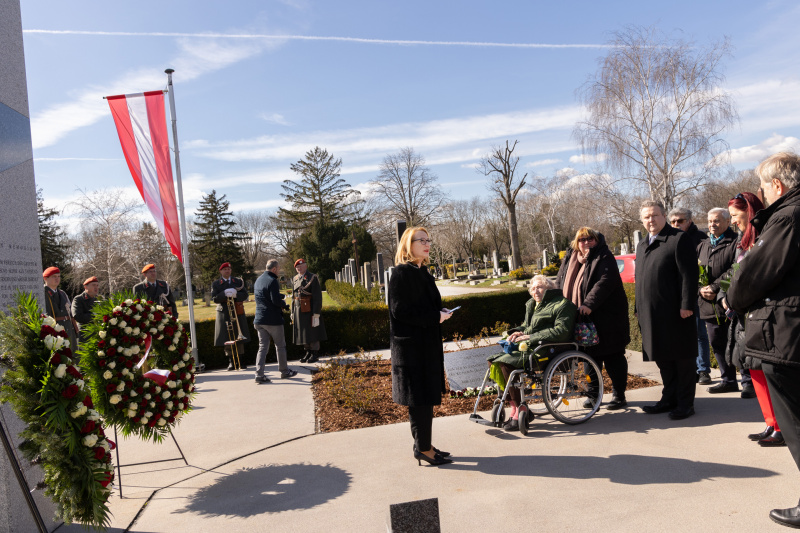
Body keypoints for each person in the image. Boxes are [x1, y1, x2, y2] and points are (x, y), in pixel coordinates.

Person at [726, 153, 800, 528]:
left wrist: (730, 295)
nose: (762, 195)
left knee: (797, 423)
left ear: (777, 186)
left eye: (763, 187)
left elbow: (753, 275)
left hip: (787, 334)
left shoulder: (787, 216)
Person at [388, 227, 453, 466]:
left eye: (428, 240)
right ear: (408, 244)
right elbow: (400, 311)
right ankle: (423, 449)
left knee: (425, 399)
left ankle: (424, 444)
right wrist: (433, 317)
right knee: (419, 400)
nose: (427, 244)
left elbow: (426, 305)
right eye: (421, 240)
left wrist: (440, 312)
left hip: (426, 346)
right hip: (412, 351)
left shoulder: (423, 272)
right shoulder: (402, 273)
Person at [719, 192, 775, 443]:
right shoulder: (743, 240)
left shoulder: (766, 237)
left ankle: (780, 426)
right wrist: (721, 291)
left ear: (750, 212)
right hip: (743, 319)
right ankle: (770, 423)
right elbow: (735, 271)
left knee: (767, 374)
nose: (732, 222)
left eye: (734, 216)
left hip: (761, 317)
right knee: (754, 372)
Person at [488, 275, 577, 430]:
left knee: (507, 365)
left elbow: (561, 331)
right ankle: (515, 406)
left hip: (550, 350)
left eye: (540, 287)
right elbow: (527, 326)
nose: (536, 291)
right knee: (494, 361)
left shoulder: (563, 304)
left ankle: (519, 410)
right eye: (533, 288)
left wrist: (530, 337)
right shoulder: (533, 304)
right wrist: (516, 332)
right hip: (533, 347)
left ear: (549, 288)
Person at [637, 200, 699, 420]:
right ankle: (669, 399)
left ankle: (685, 404)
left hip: (676, 313)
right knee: (663, 359)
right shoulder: (642, 244)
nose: (650, 220)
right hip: (652, 315)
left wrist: (686, 306)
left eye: (654, 215)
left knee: (682, 360)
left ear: (664, 216)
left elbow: (689, 276)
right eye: (646, 217)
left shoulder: (678, 239)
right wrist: (638, 309)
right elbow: (640, 280)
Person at [556, 227, 630, 410]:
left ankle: (619, 395)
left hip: (607, 317)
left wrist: (588, 304)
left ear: (597, 240)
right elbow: (560, 281)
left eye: (590, 239)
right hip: (582, 317)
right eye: (582, 239)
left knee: (613, 356)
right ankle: (593, 393)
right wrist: (556, 303)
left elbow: (605, 282)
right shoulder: (571, 258)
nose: (586, 242)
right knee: (589, 357)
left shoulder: (604, 256)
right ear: (576, 242)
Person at [696, 208, 747, 395]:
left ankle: (747, 382)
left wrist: (717, 287)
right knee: (717, 343)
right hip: (708, 305)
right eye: (710, 221)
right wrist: (701, 289)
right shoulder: (703, 245)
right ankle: (728, 380)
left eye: (716, 221)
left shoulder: (736, 242)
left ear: (727, 222)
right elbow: (696, 272)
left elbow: (736, 269)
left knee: (738, 342)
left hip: (730, 302)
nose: (712, 224)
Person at [669, 207, 712, 385]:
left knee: (700, 334)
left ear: (689, 221)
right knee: (682, 335)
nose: (676, 224)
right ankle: (689, 370)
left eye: (680, 221)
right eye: (673, 222)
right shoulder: (670, 238)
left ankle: (703, 370)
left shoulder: (701, 239)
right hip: (676, 295)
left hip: (697, 294)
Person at [253, 260, 296, 383]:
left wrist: (279, 296)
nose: (278, 271)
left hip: (259, 320)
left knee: (262, 347)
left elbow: (264, 296)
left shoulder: (258, 280)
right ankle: (284, 371)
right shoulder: (273, 280)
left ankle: (259, 374)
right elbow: (275, 301)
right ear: (274, 269)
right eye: (278, 268)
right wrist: (284, 304)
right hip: (272, 320)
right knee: (280, 346)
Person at [212, 262, 251, 371]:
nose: (227, 271)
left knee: (239, 335)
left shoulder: (238, 282)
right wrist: (224, 293)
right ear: (221, 271)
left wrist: (236, 295)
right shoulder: (216, 283)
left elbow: (245, 295)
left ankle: (241, 360)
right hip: (224, 313)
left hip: (237, 312)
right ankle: (231, 361)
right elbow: (214, 298)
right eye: (225, 269)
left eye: (229, 269)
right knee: (227, 337)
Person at [291, 258, 327, 363]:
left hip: (310, 309)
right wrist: (293, 312)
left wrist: (316, 313)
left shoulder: (312, 277)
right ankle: (308, 352)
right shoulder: (295, 279)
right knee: (303, 332)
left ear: (306, 266)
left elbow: (317, 297)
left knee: (313, 331)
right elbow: (294, 297)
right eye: (297, 267)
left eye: (301, 266)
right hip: (299, 310)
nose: (299, 268)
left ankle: (314, 353)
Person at [42, 266, 78, 353]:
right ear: (46, 278)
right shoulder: (43, 293)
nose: (57, 279)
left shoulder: (62, 293)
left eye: (58, 276)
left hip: (68, 329)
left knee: (72, 356)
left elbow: (70, 313)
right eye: (54, 276)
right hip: (55, 332)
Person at [72, 276, 101, 342]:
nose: (96, 287)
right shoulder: (79, 299)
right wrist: (94, 315)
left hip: (97, 335)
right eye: (93, 285)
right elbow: (77, 316)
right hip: (85, 335)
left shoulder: (98, 299)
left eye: (97, 285)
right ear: (86, 287)